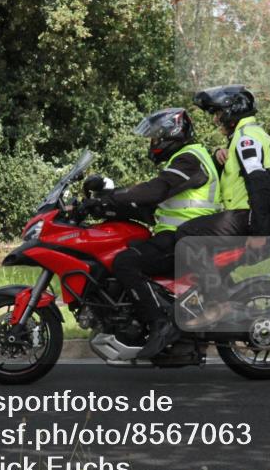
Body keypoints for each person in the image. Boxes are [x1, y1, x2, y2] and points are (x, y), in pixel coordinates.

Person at [90, 107, 221, 359]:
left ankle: (160, 324)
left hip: (185, 238)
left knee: (125, 262)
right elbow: (154, 200)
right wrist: (107, 203)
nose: (152, 143)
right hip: (181, 235)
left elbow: (155, 190)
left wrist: (114, 197)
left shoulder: (189, 158)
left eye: (155, 137)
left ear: (170, 134)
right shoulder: (185, 159)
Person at [174, 85, 270, 325]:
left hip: (246, 217)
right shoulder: (248, 137)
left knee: (186, 236)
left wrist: (258, 231)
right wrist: (218, 157)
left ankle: (217, 305)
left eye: (218, 113)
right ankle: (212, 295)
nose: (216, 119)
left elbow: (259, 182)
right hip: (248, 216)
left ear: (231, 111)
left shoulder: (246, 139)